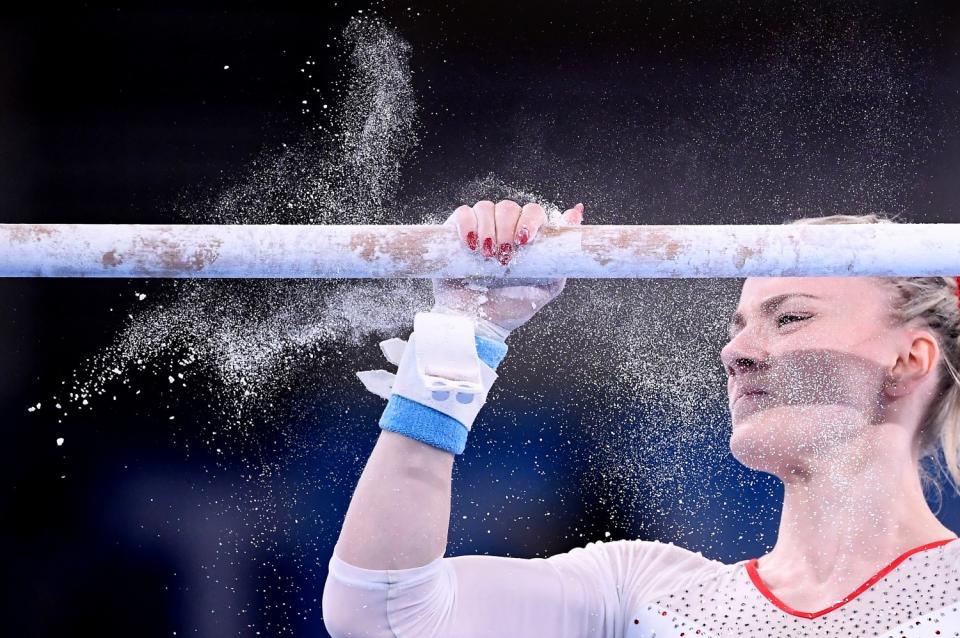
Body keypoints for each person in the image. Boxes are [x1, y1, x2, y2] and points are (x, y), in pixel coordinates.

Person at [321, 200, 960, 636]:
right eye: (738, 326)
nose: (734, 351)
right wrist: (462, 332)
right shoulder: (644, 593)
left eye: (790, 318)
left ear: (909, 360)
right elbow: (380, 612)